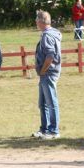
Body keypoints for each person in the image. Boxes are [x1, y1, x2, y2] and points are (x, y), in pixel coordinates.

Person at [32, 11, 62, 139]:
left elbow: (50, 56)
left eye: (36, 20)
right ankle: (44, 129)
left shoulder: (47, 36)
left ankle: (54, 131)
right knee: (43, 102)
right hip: (47, 73)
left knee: (51, 102)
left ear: (40, 21)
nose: (35, 22)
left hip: (48, 73)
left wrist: (43, 70)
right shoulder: (52, 32)